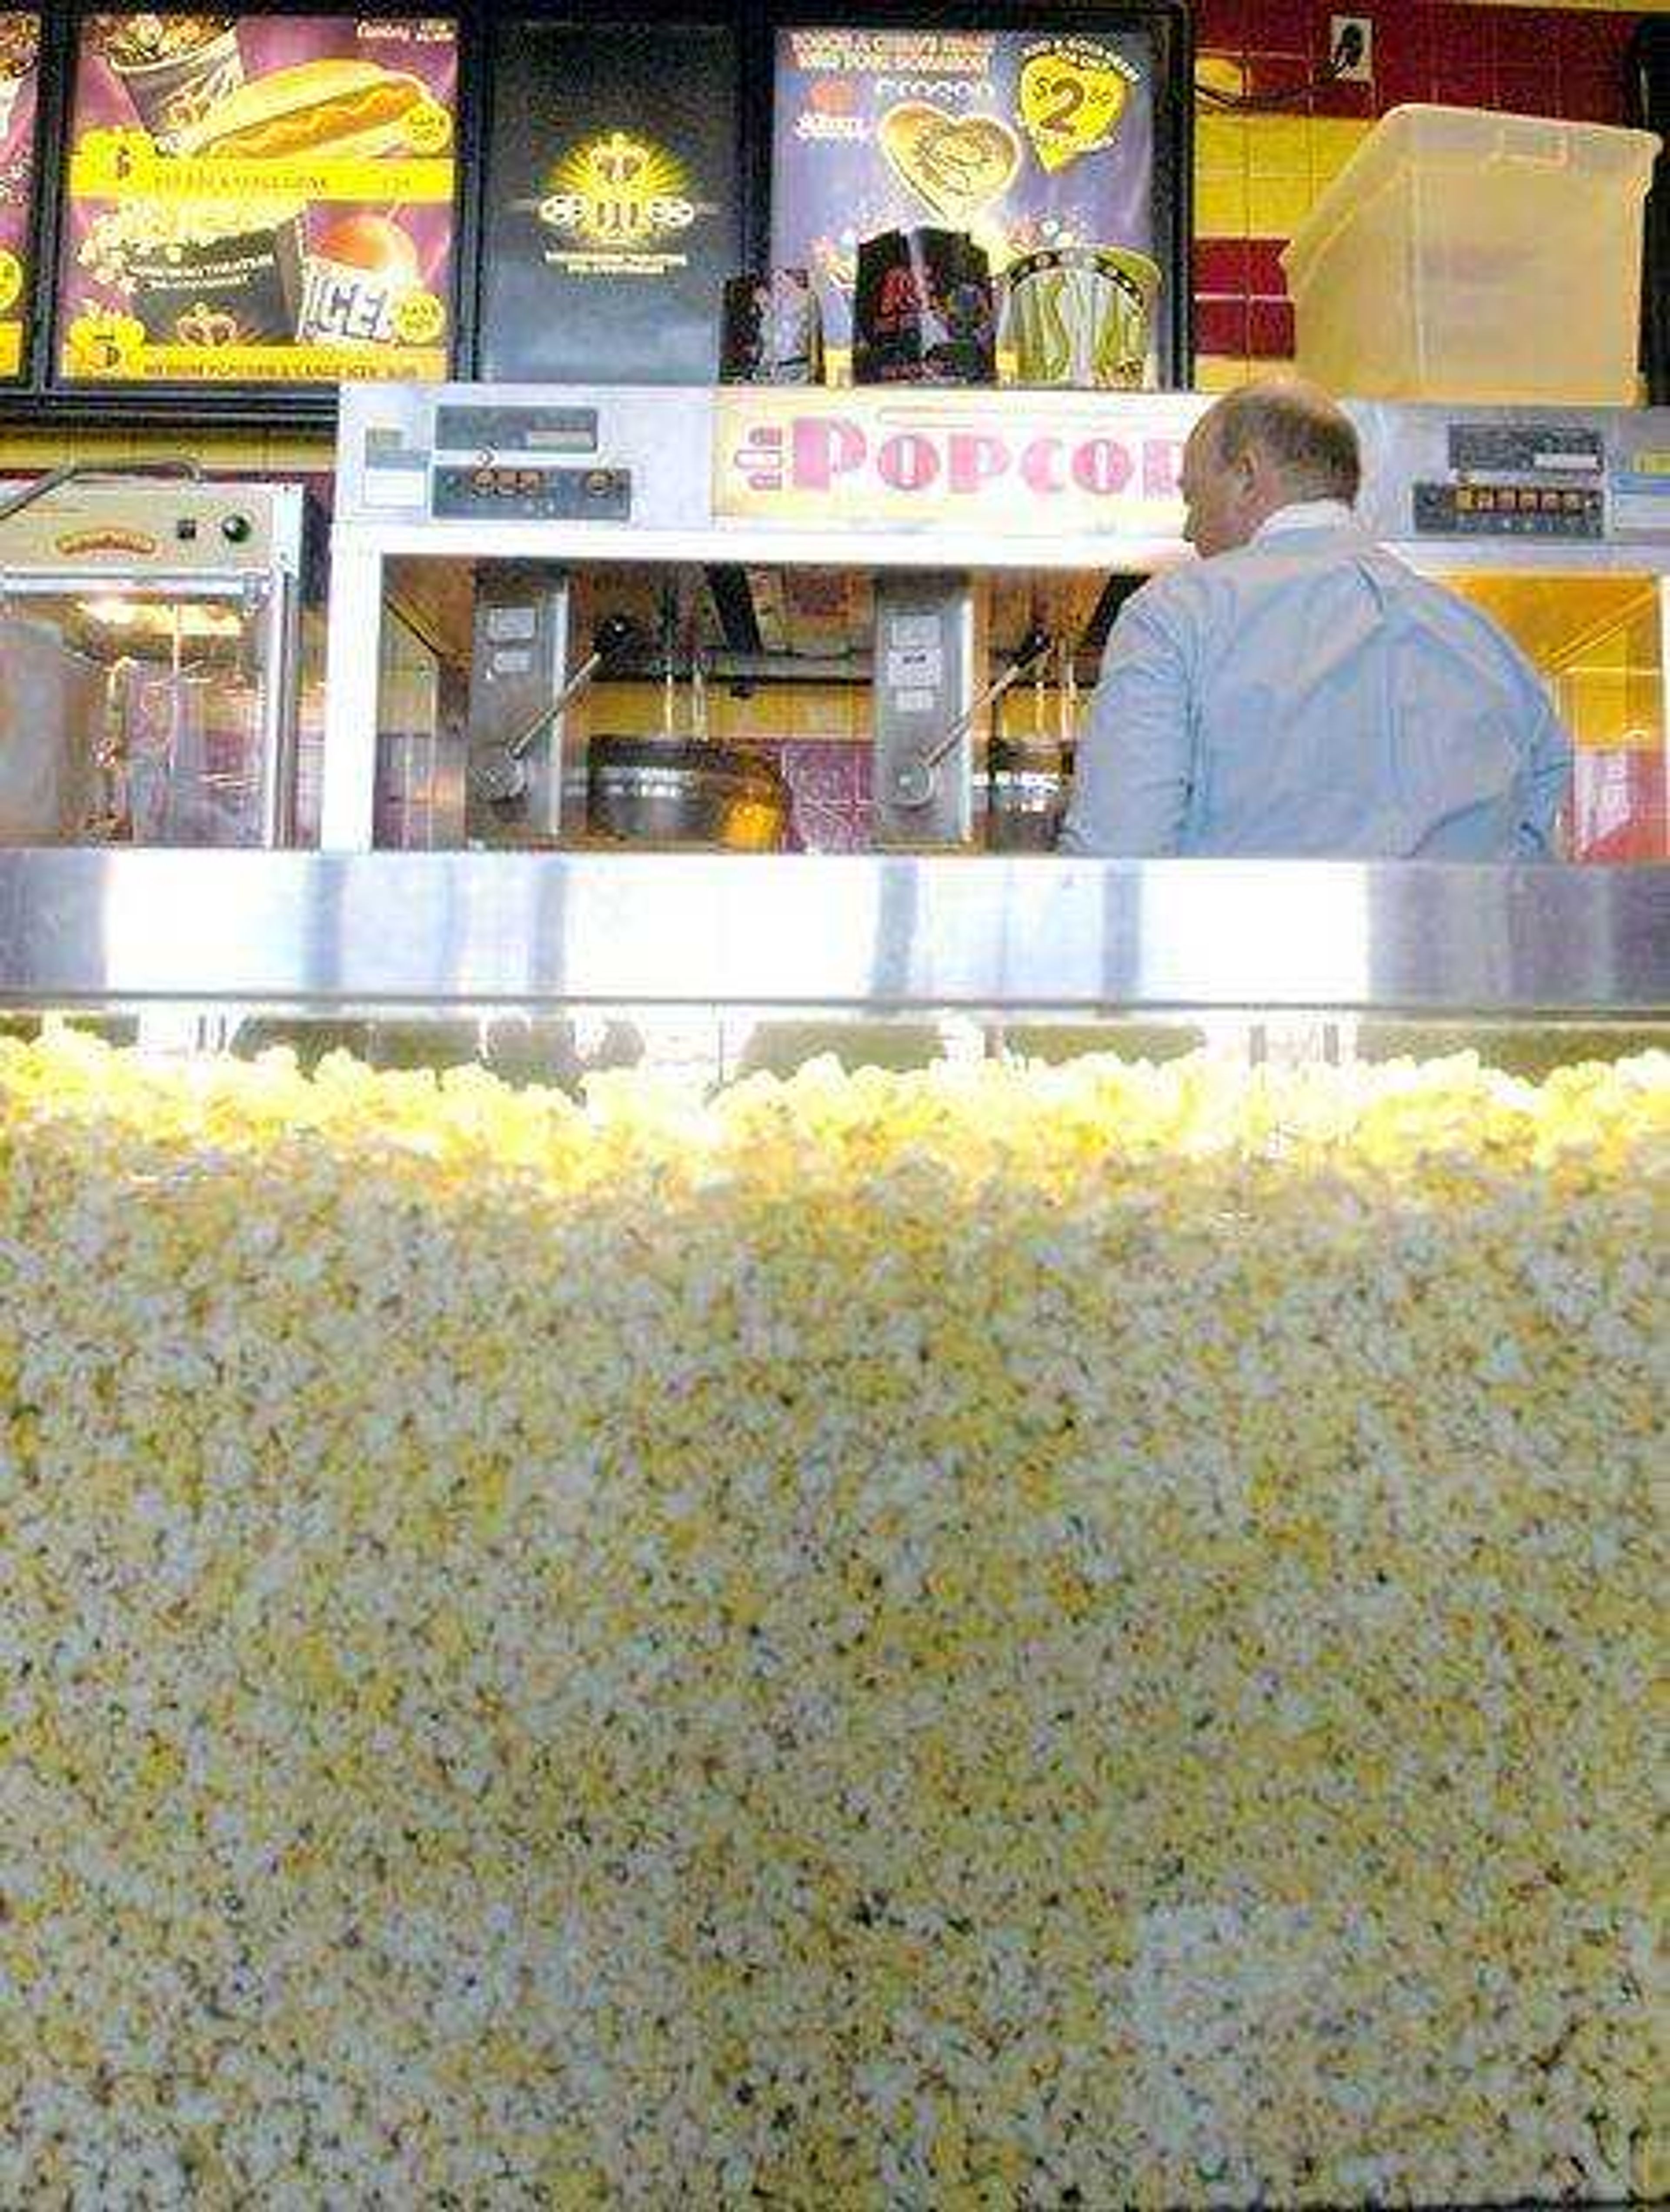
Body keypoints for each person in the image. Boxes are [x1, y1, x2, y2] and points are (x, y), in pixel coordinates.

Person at [1057, 375, 1572, 858]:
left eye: (1193, 497)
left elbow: (1118, 861)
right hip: (1459, 953)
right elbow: (1532, 869)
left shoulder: (1175, 614)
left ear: (1247, 476)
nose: (1190, 530)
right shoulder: (1489, 645)